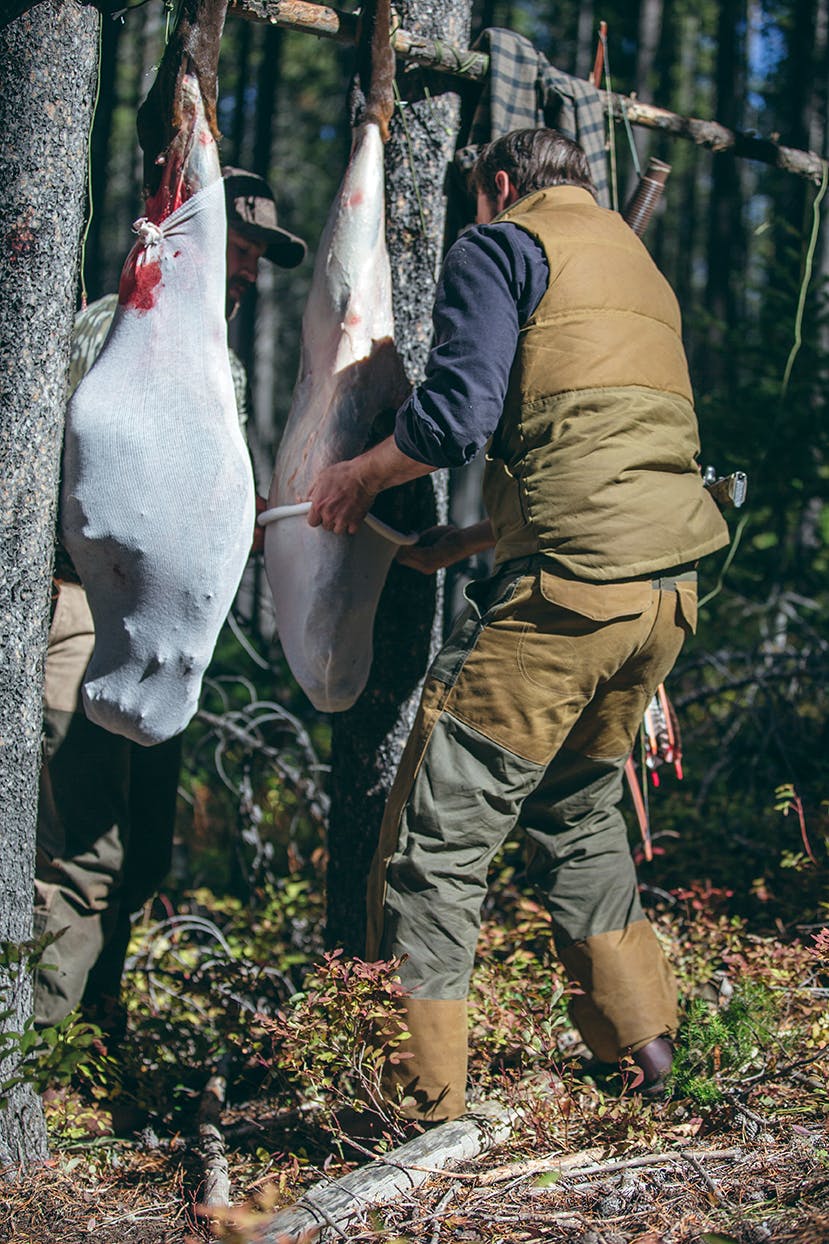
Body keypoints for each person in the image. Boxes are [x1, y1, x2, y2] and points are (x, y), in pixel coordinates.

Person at [306, 128, 729, 1121]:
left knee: (437, 839)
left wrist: (357, 474)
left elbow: (457, 413)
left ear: (496, 186)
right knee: (579, 813)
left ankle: (411, 1109)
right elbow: (605, 439)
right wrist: (463, 542)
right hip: (661, 597)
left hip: (566, 600)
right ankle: (649, 1059)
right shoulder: (635, 265)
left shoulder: (497, 246)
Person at [34, 168, 306, 1037]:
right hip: (80, 615)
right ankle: (30, 1062)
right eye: (241, 250)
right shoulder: (120, 325)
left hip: (158, 639)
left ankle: (89, 1028)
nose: (250, 273)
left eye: (260, 258)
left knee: (144, 848)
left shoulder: (210, 360)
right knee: (86, 845)